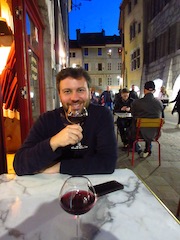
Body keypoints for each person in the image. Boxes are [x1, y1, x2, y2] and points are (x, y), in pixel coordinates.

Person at [13, 67, 118, 176]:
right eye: (67, 91)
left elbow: (108, 163)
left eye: (80, 90)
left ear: (89, 92)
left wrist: (60, 167)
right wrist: (54, 142)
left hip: (93, 186)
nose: (74, 98)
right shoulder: (47, 120)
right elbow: (20, 165)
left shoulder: (102, 115)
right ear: (60, 95)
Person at [130, 81, 163, 158]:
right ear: (154, 91)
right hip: (156, 133)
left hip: (139, 133)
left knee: (131, 130)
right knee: (149, 128)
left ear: (144, 90)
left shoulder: (137, 102)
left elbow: (133, 114)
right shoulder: (159, 103)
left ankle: (138, 149)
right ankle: (148, 149)